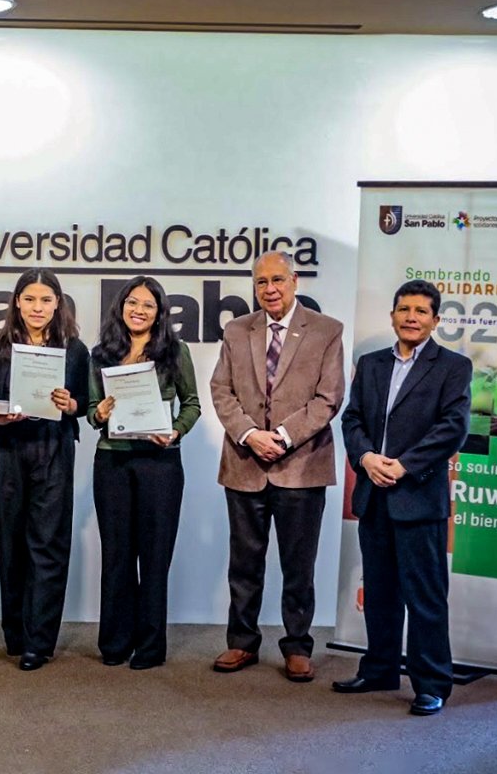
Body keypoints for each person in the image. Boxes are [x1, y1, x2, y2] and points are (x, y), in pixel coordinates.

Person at [335, 279, 471, 717]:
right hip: (374, 494)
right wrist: (367, 457)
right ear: (392, 315)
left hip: (417, 496)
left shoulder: (453, 366)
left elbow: (453, 428)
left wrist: (405, 465)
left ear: (435, 319)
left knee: (426, 597)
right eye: (403, 309)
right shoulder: (371, 364)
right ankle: (379, 669)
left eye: (421, 311)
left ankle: (431, 683)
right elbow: (352, 419)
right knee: (379, 592)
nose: (411, 317)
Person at [209, 251, 345, 683]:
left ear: (295, 280)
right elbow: (221, 390)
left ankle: (298, 645)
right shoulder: (236, 330)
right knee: (244, 562)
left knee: (298, 564)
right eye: (261, 282)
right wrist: (251, 435)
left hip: (302, 466)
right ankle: (241, 642)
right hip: (245, 464)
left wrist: (283, 437)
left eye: (278, 280)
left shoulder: (326, 331)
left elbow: (328, 399)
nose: (269, 289)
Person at [88, 276, 201, 669]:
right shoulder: (101, 353)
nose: (138, 310)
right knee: (117, 555)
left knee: (154, 557)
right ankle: (115, 643)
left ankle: (151, 646)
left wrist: (175, 431)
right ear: (121, 307)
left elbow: (192, 404)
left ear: (159, 313)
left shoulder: (175, 351)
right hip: (112, 461)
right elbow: (90, 409)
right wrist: (98, 413)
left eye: (148, 305)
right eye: (132, 302)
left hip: (160, 464)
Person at [0, 269, 90, 671]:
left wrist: (71, 404)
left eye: (45, 300)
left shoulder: (76, 350)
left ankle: (39, 642)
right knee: (11, 541)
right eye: (29, 300)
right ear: (17, 303)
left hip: (54, 449)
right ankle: (16, 635)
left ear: (58, 304)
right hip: (10, 447)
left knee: (47, 543)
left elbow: (84, 404)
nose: (37, 308)